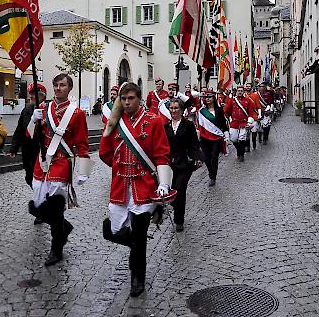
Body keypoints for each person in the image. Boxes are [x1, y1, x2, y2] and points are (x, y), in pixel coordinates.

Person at [100, 82, 174, 297]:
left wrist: (163, 183)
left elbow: (161, 154)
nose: (126, 102)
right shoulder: (114, 122)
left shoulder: (154, 121)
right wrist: (119, 166)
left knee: (139, 236)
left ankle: (137, 277)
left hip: (144, 187)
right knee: (111, 230)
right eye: (123, 99)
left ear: (139, 98)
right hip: (120, 186)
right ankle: (136, 245)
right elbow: (105, 153)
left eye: (131, 98)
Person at [27, 74, 92, 265]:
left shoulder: (77, 113)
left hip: (62, 163)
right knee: (38, 206)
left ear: (69, 88)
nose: (57, 88)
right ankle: (64, 228)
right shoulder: (43, 109)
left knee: (55, 208)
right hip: (42, 162)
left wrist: (83, 171)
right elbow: (29, 135)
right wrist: (33, 119)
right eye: (55, 85)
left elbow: (82, 143)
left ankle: (56, 249)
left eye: (62, 85)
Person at [165, 98, 203, 231]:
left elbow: (194, 144)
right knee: (172, 189)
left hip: (184, 163)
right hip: (170, 165)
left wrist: (198, 158)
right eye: (171, 108)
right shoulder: (166, 126)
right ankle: (176, 208)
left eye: (176, 108)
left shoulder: (188, 125)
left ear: (181, 110)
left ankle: (179, 220)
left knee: (180, 189)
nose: (173, 111)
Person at [9, 83, 47, 189]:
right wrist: (14, 147)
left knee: (41, 179)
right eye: (30, 93)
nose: (31, 96)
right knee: (29, 177)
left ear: (42, 95)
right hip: (28, 150)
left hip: (41, 150)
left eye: (34, 94)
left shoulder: (48, 110)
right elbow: (19, 129)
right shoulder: (26, 110)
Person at [197, 89, 229, 186]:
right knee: (207, 158)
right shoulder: (202, 111)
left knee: (214, 157)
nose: (208, 99)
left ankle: (213, 177)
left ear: (213, 98)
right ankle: (211, 172)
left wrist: (226, 133)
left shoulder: (219, 110)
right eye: (206, 97)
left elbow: (223, 122)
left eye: (209, 97)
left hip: (216, 137)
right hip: (205, 137)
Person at [223, 85, 257, 162]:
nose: (240, 92)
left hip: (243, 123)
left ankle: (241, 154)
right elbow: (227, 110)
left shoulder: (248, 100)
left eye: (241, 91)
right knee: (233, 139)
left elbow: (250, 112)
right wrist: (226, 117)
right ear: (236, 91)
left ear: (243, 91)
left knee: (242, 139)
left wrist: (249, 122)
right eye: (239, 91)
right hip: (234, 123)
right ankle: (239, 150)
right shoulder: (232, 100)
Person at [244, 82, 260, 151]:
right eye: (247, 86)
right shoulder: (243, 95)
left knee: (254, 133)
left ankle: (254, 143)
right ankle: (247, 146)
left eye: (249, 86)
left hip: (254, 116)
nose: (247, 87)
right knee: (247, 134)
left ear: (251, 87)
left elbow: (258, 106)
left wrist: (259, 114)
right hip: (246, 116)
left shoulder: (255, 95)